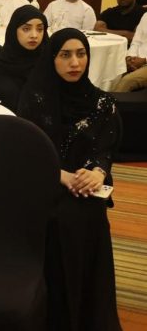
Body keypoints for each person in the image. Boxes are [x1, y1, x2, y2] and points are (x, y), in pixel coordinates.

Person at [17, 28, 121, 331]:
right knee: (59, 218)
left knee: (86, 214)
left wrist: (97, 172)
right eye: (65, 55)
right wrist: (60, 175)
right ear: (52, 58)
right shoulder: (35, 98)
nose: (75, 63)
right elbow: (28, 152)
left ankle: (87, 314)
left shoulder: (102, 102)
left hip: (86, 184)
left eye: (81, 54)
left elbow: (104, 148)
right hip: (45, 180)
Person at [0, 5, 48, 112]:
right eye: (26, 29)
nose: (34, 35)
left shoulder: (48, 64)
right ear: (14, 30)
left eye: (40, 29)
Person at [112, 12, 147, 92]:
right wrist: (130, 58)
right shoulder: (146, 15)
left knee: (127, 80)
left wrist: (144, 60)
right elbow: (136, 42)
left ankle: (111, 100)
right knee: (111, 70)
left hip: (144, 62)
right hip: (136, 59)